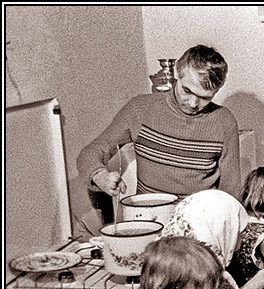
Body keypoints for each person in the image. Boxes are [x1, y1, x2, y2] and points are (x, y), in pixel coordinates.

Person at [77, 45, 242, 204]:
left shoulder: (224, 122)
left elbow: (230, 192)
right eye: (187, 91)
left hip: (198, 216)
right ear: (177, 75)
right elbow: (89, 153)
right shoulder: (141, 109)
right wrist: (100, 176)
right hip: (148, 214)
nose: (193, 103)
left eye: (205, 98)